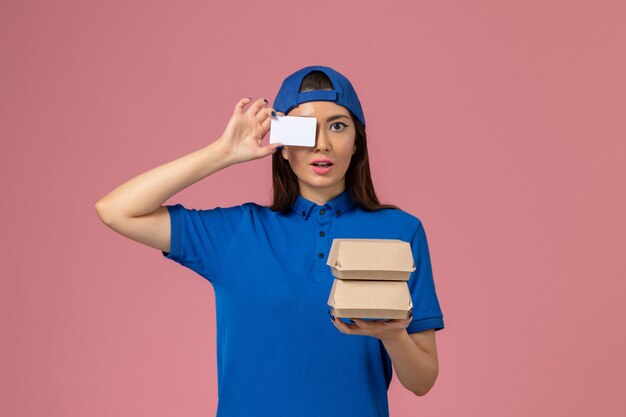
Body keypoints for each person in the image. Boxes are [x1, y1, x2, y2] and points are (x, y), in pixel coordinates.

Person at [95, 65, 445, 417]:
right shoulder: (237, 232)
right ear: (282, 145)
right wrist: (222, 152)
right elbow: (116, 210)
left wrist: (393, 335)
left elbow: (422, 381)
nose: (322, 143)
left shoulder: (401, 232)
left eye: (338, 126)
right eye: (304, 128)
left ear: (356, 143)